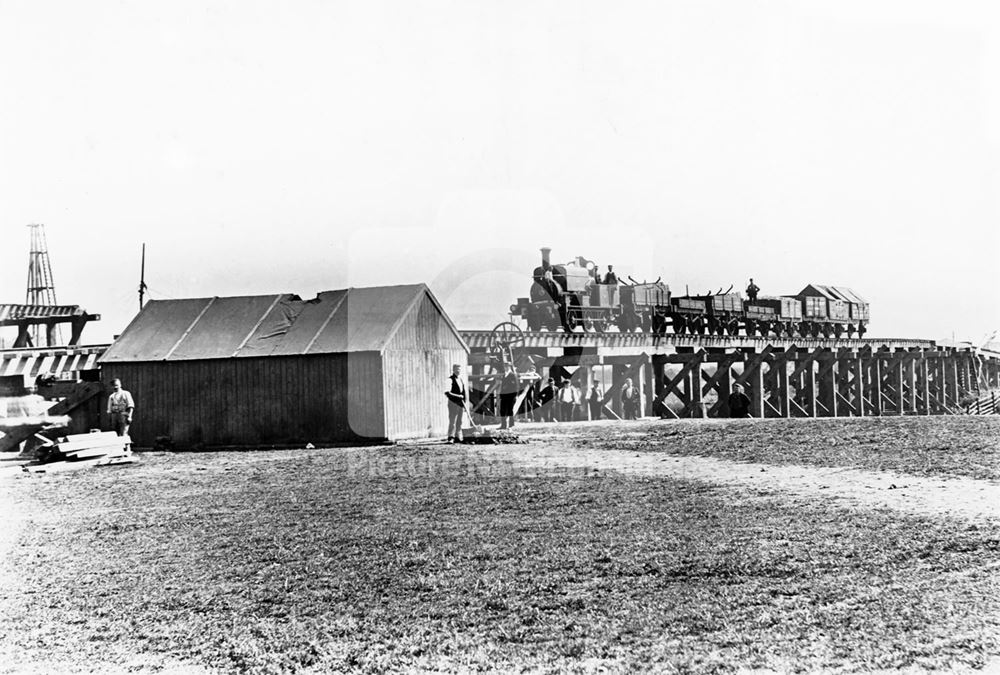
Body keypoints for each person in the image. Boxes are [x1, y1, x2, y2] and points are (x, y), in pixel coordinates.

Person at [445, 364, 467, 442]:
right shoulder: (450, 380)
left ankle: (458, 437)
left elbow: (463, 393)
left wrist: (464, 402)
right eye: (457, 369)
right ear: (453, 370)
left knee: (459, 421)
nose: (458, 371)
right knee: (452, 421)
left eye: (459, 369)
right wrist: (458, 396)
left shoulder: (461, 380)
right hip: (453, 403)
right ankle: (451, 437)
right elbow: (447, 393)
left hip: (460, 404)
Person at [498, 365, 520, 430]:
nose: (505, 368)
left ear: (509, 367)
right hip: (504, 396)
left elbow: (515, 386)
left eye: (507, 367)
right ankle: (503, 425)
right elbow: (502, 386)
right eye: (505, 367)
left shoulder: (512, 375)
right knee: (502, 410)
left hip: (510, 395)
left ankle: (511, 424)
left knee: (510, 410)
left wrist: (515, 395)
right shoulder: (504, 375)